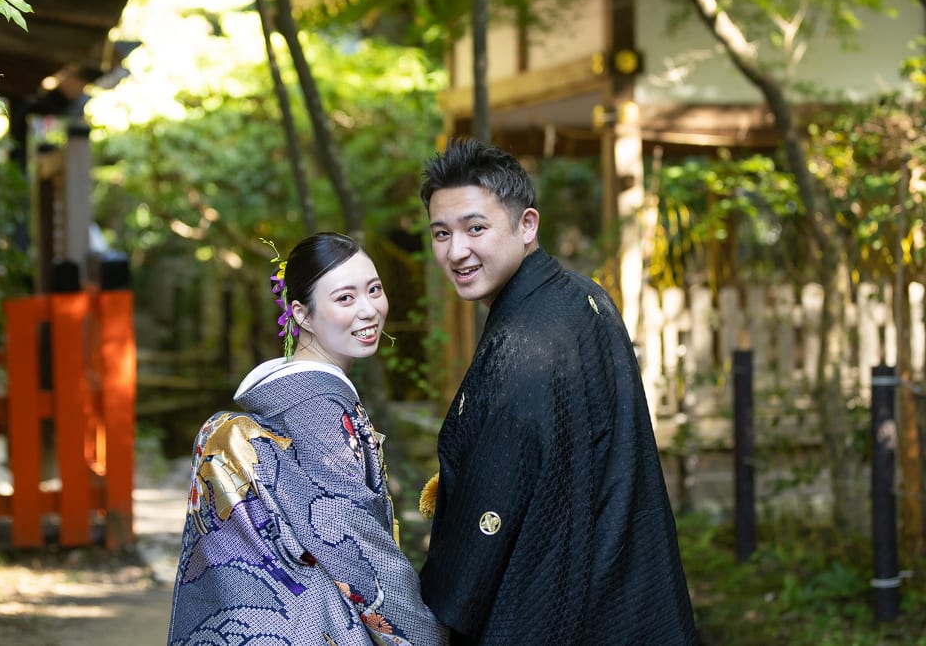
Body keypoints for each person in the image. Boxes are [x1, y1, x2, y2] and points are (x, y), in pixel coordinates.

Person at [417, 139, 698, 644]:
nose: (456, 251)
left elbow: (494, 505)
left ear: (527, 225)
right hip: (625, 592)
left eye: (475, 228)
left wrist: (435, 606)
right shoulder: (583, 296)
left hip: (562, 610)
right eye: (442, 233)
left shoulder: (525, 342)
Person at [168, 232, 448, 646]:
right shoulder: (316, 408)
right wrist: (427, 636)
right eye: (345, 299)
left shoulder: (299, 400)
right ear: (301, 315)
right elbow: (356, 549)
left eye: (374, 289)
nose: (369, 310)